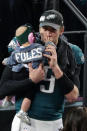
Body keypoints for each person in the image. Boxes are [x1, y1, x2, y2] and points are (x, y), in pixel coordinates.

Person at [0, 10, 79, 131]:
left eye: (52, 30)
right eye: (44, 28)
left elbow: (73, 96)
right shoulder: (25, 47)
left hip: (54, 122)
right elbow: (3, 88)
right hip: (26, 121)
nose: (48, 34)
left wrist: (56, 68)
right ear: (39, 28)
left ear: (61, 30)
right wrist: (31, 80)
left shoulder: (70, 52)